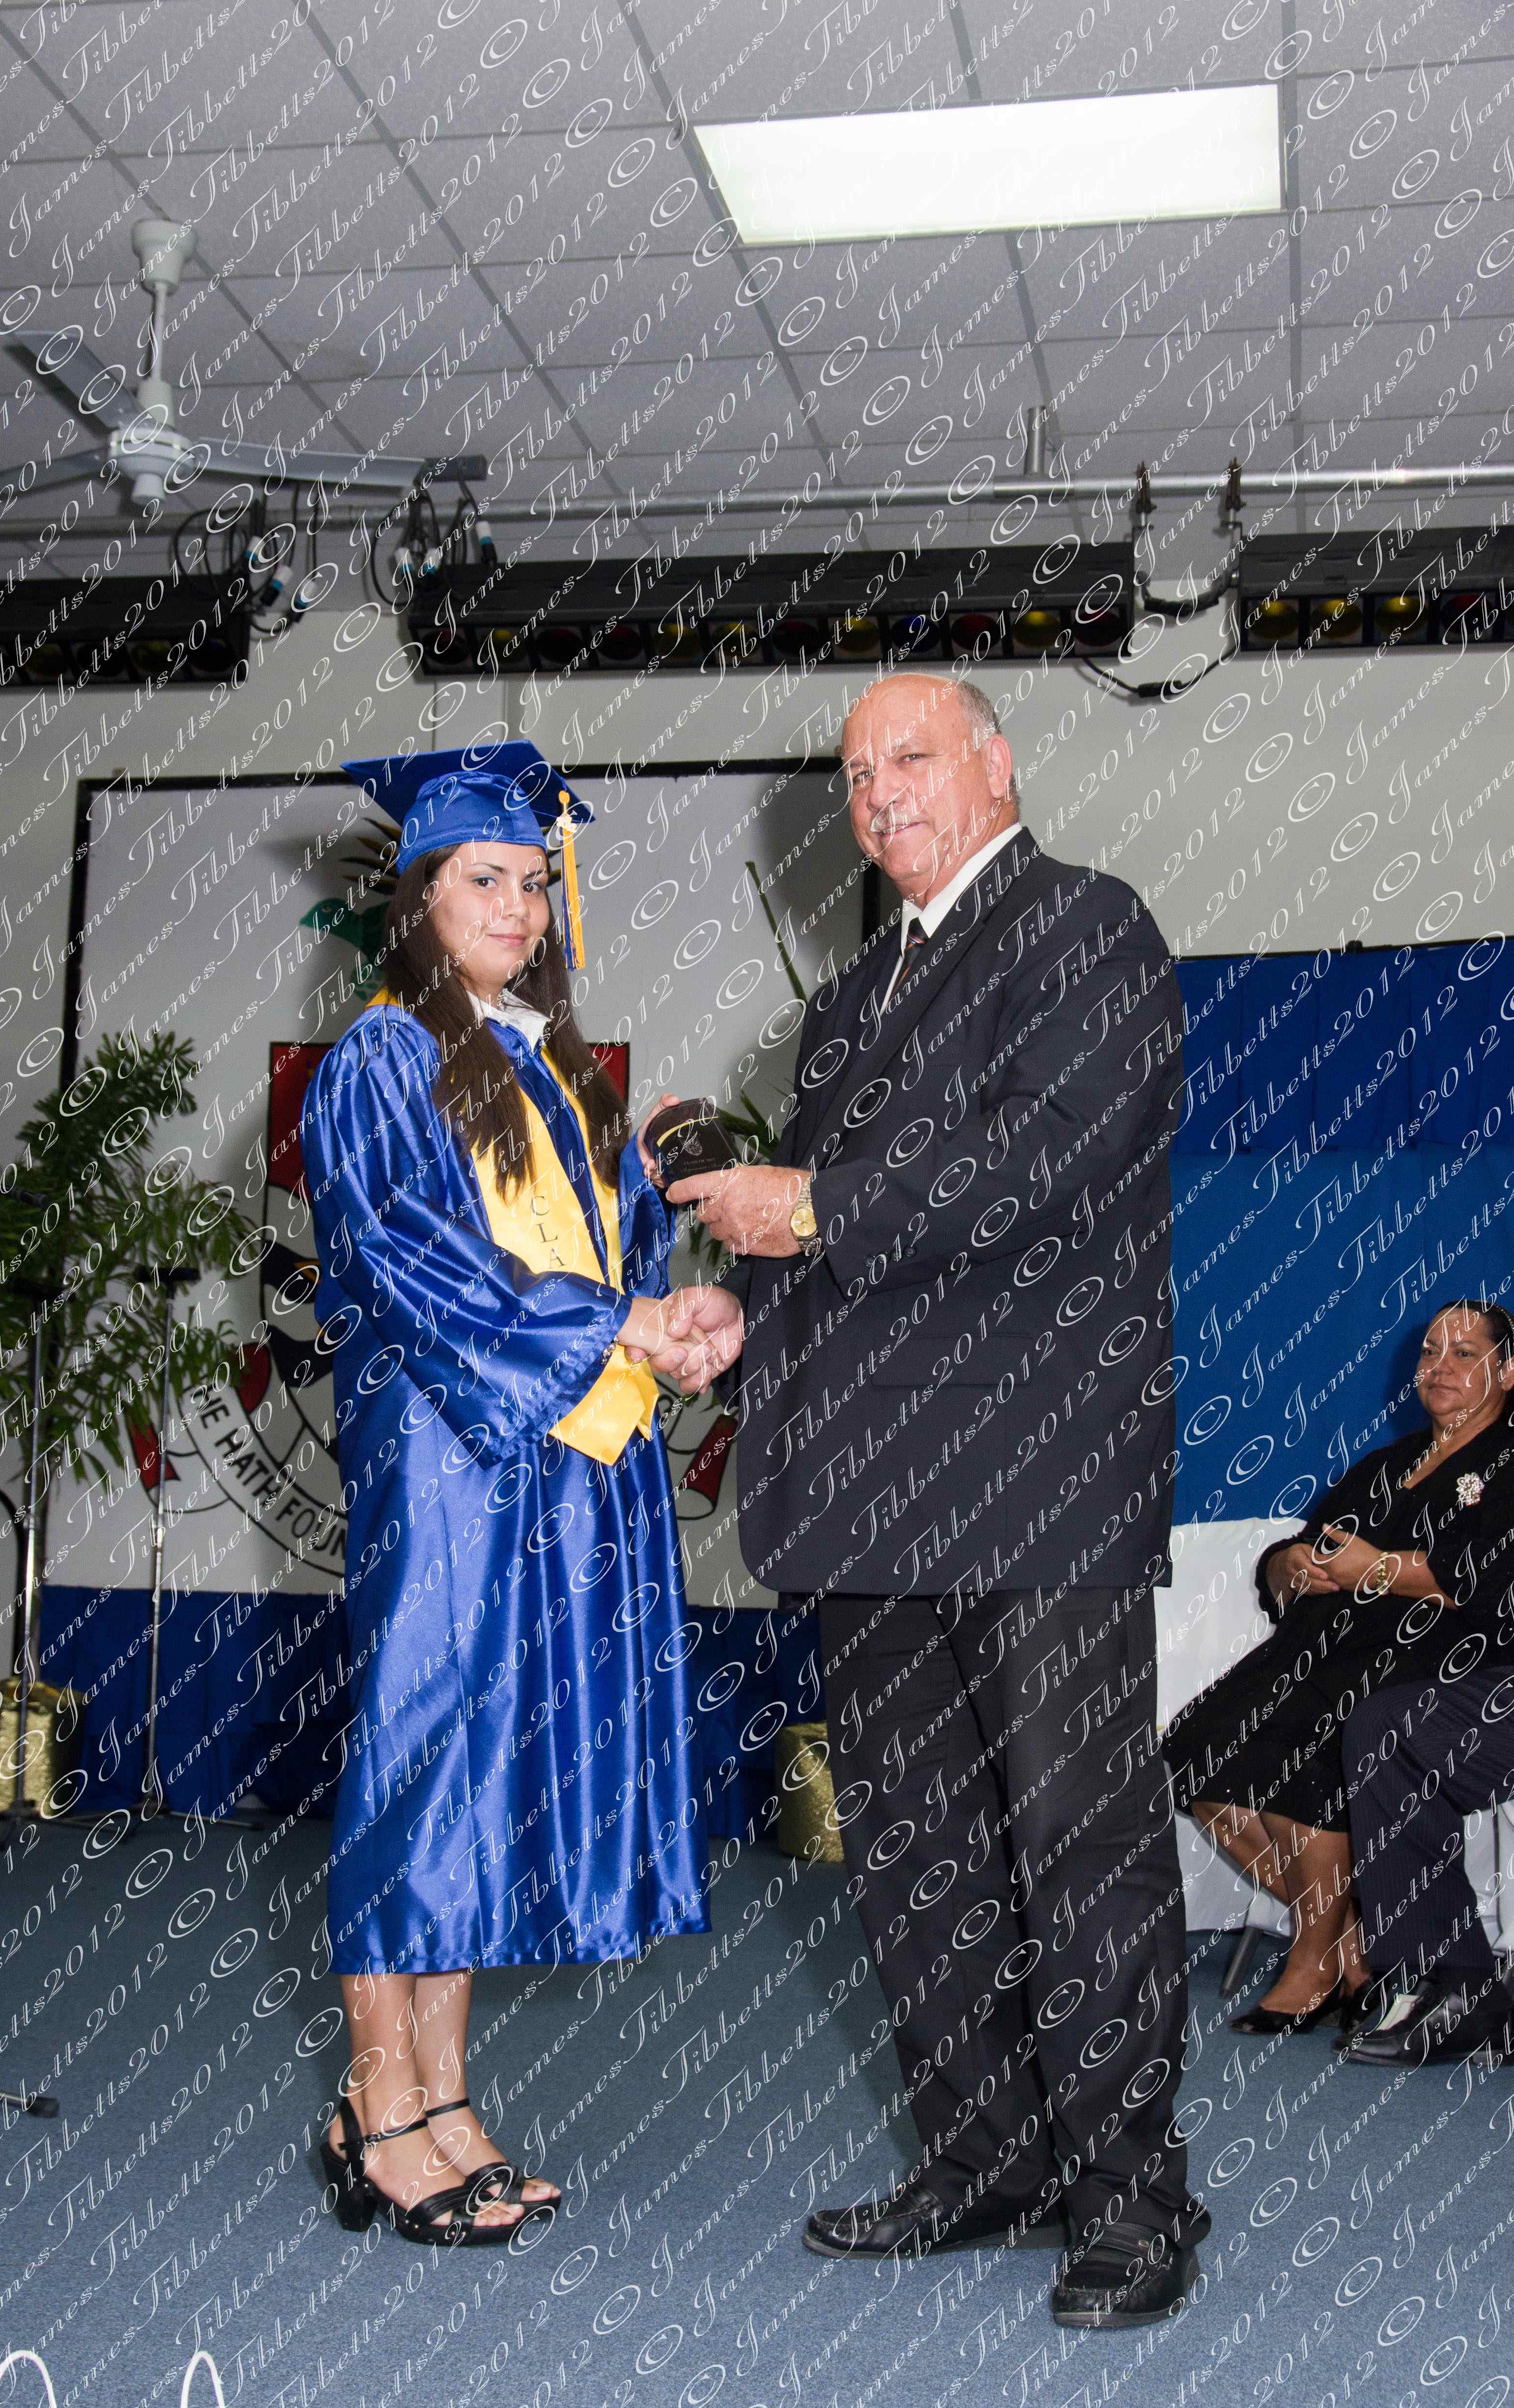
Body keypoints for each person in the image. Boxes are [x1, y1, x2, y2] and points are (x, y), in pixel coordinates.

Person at [666, 672, 1206, 2329]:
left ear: (995, 765)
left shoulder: (1088, 928)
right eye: (853, 774)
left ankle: (1132, 2199)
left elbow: (1052, 1158)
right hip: (870, 1495)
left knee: (1079, 1850)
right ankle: (984, 2162)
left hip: (1039, 1484)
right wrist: (739, 1317)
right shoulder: (847, 1003)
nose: (878, 792)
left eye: (909, 756)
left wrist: (816, 1204)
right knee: (918, 1853)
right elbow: (833, 1246)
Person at [300, 741, 738, 2246]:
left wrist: (676, 1318)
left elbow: (615, 1256)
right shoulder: (381, 1059)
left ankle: (445, 2095)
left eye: (535, 881)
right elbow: (417, 1263)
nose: (519, 905)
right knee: (421, 1757)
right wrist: (620, 1322)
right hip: (445, 1449)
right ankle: (378, 2103)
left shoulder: (550, 1065)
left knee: (482, 1770)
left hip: (560, 1454)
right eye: (483, 878)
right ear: (418, 900)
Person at [1165, 1300, 1514, 2052]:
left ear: (1508, 1372)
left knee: (1311, 1747)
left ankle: (1313, 1964)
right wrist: (1290, 1567)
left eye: (1463, 1354)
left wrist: (1376, 1569)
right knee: (1199, 1746)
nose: (1439, 1367)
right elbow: (1298, 1548)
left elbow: (1483, 1577)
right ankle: (1345, 1932)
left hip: (1434, 1663)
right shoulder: (1389, 1464)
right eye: (1429, 1352)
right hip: (1319, 1653)